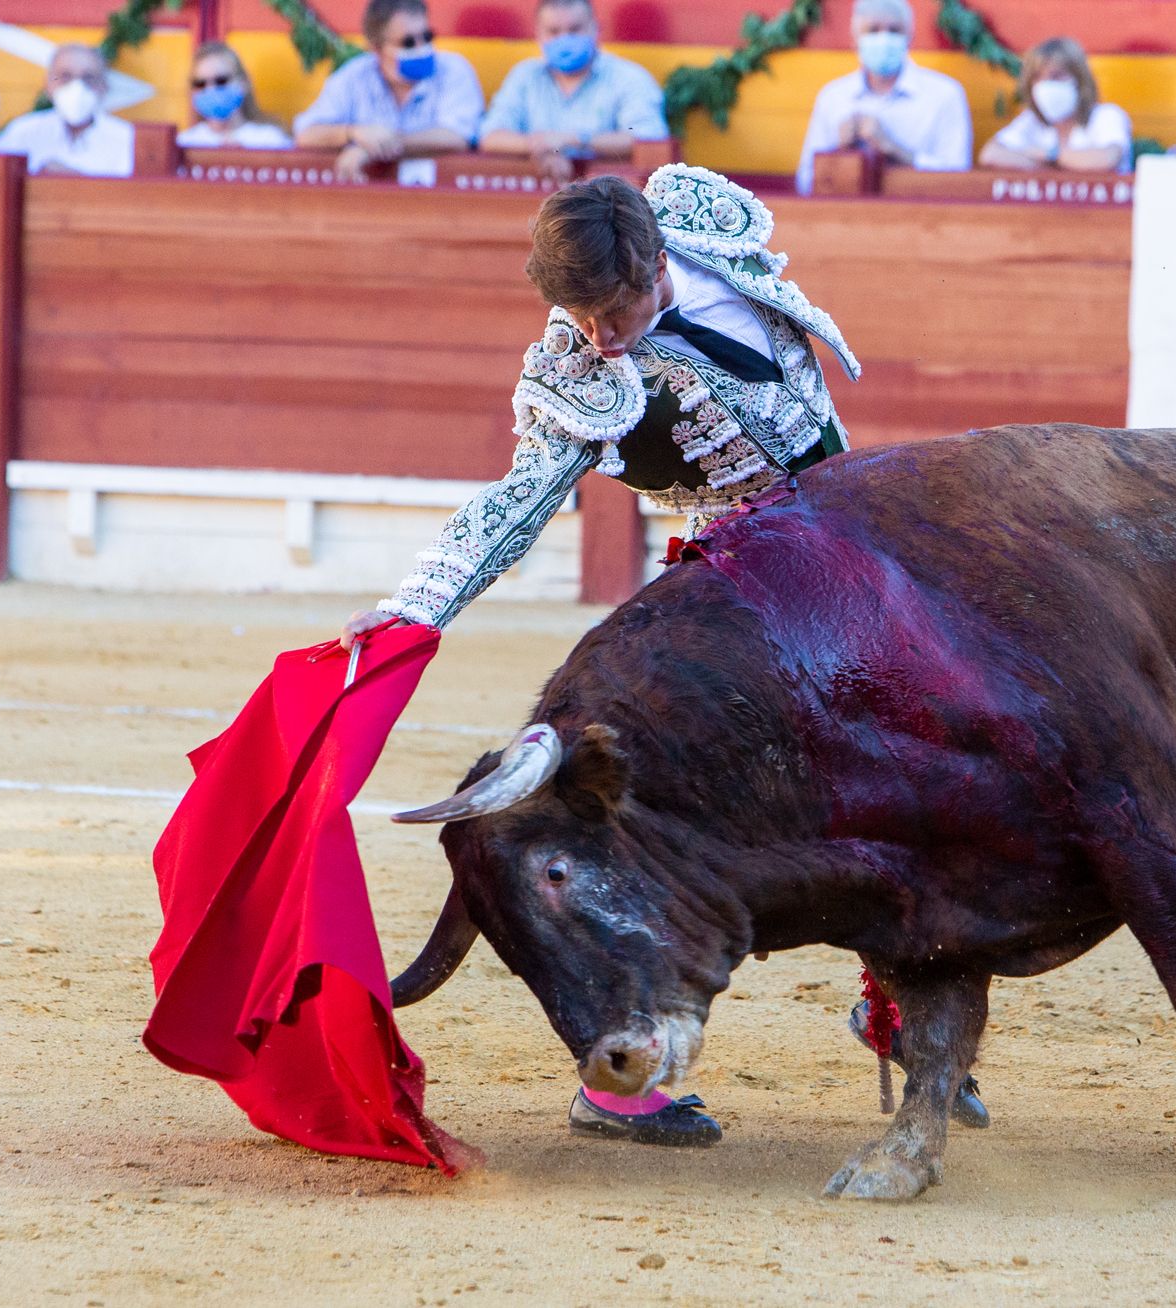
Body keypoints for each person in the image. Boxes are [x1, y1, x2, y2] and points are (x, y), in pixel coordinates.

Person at [335, 165, 989, 1146]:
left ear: (653, 260)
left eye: (613, 306)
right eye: (576, 314)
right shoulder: (578, 368)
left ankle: (892, 1013)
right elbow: (512, 503)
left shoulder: (703, 225)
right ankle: (620, 1074)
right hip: (732, 593)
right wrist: (409, 610)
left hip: (853, 556)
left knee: (933, 765)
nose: (597, 335)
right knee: (670, 826)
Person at [293, 0, 483, 183]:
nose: (421, 48)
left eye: (427, 37)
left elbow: (457, 137)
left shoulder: (453, 70)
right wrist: (352, 133)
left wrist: (375, 148)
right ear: (376, 48)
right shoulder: (354, 76)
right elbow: (307, 133)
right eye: (408, 42)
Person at [794, 0, 972, 195]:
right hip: (847, 218)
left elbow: (958, 178)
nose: (884, 39)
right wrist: (839, 151)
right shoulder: (833, 96)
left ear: (910, 37)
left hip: (920, 217)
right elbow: (805, 183)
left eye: (894, 30)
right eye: (872, 30)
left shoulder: (944, 94)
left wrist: (894, 150)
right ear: (855, 39)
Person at [478, 0, 668, 182]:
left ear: (595, 28)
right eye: (553, 31)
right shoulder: (525, 76)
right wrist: (541, 147)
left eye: (574, 29)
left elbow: (648, 139)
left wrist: (574, 140)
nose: (564, 38)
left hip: (610, 199)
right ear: (539, 34)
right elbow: (490, 136)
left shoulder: (628, 77)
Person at [978, 36, 1130, 172]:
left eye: (1056, 76)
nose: (1045, 86)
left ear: (1080, 80)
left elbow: (1107, 159)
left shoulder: (1106, 115)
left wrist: (1050, 155)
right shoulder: (1032, 121)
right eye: (1037, 78)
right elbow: (991, 154)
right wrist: (1061, 165)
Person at [0, 44, 134, 177]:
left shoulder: (127, 139)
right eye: (65, 77)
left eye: (88, 78)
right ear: (48, 83)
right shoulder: (22, 132)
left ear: (104, 86)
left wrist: (73, 179)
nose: (77, 88)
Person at [178, 40, 290, 149]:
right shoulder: (184, 144)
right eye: (200, 84)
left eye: (221, 81)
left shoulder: (271, 141)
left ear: (243, 83)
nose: (210, 89)